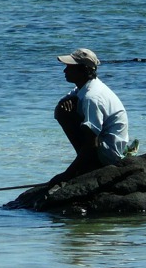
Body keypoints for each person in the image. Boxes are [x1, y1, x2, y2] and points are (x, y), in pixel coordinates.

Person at [50, 48, 132, 185]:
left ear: (83, 70)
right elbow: (64, 102)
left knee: (64, 114)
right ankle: (86, 164)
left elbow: (91, 142)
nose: (65, 71)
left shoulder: (92, 97)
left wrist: (67, 174)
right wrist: (68, 101)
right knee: (62, 110)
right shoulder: (86, 87)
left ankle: (90, 166)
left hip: (109, 154)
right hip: (105, 144)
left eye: (69, 68)